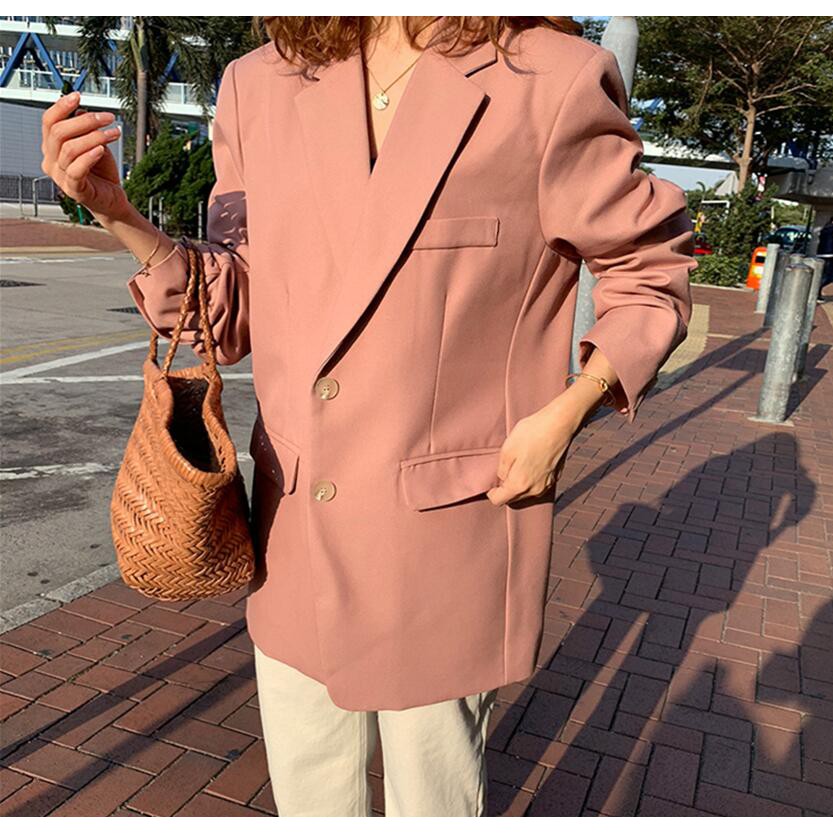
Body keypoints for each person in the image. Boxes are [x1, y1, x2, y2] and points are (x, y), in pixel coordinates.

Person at [40, 16, 696, 817]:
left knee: (432, 801)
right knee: (309, 802)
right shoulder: (260, 82)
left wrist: (565, 412)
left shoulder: (548, 78)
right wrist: (117, 213)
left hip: (445, 526)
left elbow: (649, 272)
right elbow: (233, 306)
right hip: (295, 523)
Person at [817, 216, 833, 300]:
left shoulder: (825, 229)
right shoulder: (831, 230)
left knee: (825, 275)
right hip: (829, 254)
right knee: (827, 276)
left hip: (822, 254)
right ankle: (817, 291)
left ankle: (817, 291)